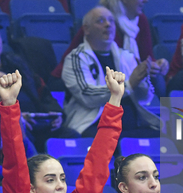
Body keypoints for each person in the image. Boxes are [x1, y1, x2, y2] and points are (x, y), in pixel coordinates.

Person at [0, 18, 75, 150]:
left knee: (71, 136)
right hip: (6, 130)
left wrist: (56, 114)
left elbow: (42, 92)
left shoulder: (17, 64)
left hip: (39, 122)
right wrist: (16, 118)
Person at [62, 6, 159, 137]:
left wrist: (142, 80)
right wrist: (129, 84)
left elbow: (144, 98)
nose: (108, 24)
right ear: (86, 29)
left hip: (131, 126)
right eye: (100, 21)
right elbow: (87, 95)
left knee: (169, 138)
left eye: (111, 21)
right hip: (94, 125)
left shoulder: (127, 57)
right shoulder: (76, 58)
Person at [53, 0, 168, 97]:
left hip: (123, 77)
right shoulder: (100, 22)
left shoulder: (141, 20)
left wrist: (157, 65)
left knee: (157, 78)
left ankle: (166, 121)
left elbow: (146, 58)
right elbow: (98, 63)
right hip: (94, 76)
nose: (145, 1)